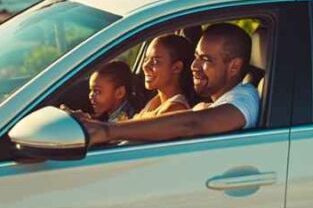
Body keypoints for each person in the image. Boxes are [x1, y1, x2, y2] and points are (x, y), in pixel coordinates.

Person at [82, 23, 260, 146]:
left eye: (206, 59)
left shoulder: (244, 98)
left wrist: (105, 131)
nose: (194, 66)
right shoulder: (212, 104)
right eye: (196, 57)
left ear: (234, 66)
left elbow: (191, 124)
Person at [135, 34, 194, 118]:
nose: (145, 66)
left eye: (156, 61)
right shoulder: (157, 100)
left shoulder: (175, 110)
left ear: (176, 68)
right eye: (146, 59)